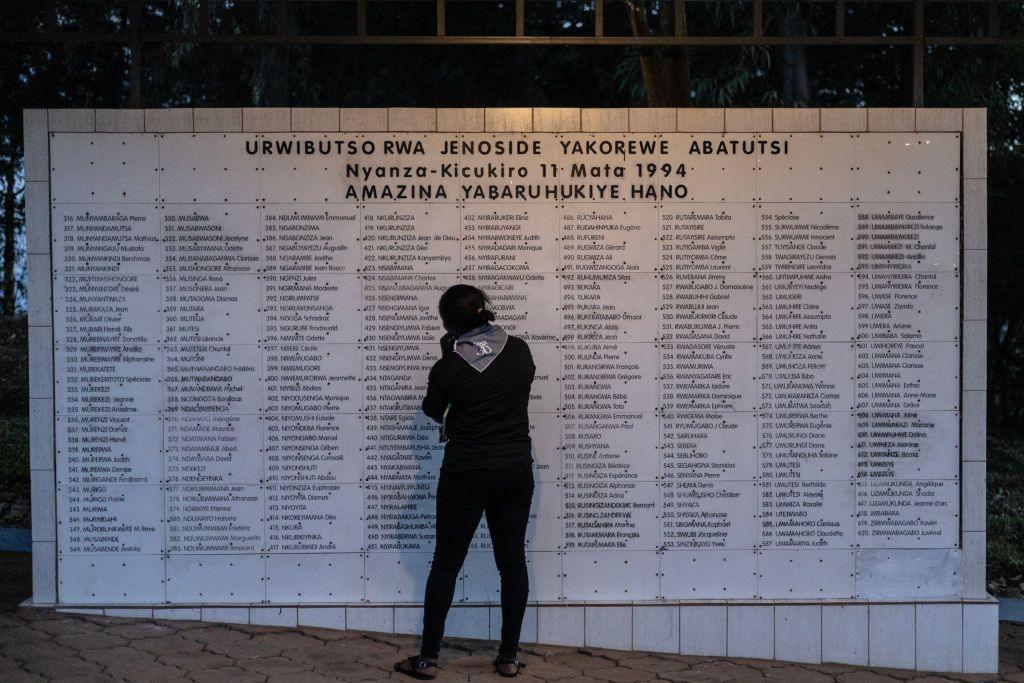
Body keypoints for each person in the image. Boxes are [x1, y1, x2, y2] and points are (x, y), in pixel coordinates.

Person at [394, 284, 536, 680]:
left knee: (446, 562)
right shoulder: (521, 349)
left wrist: (449, 356)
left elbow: (432, 410)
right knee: (512, 563)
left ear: (450, 323)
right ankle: (508, 657)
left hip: (466, 472)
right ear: (485, 312)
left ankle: (428, 659)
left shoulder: (449, 367)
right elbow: (513, 387)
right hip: (514, 469)